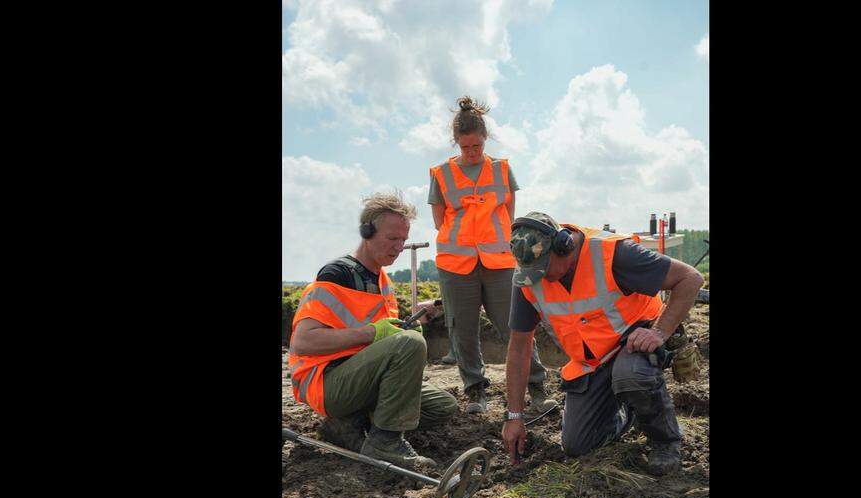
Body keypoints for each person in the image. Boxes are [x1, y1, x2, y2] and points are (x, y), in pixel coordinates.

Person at [500, 212, 705, 476]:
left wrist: (659, 333)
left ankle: (665, 441)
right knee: (578, 445)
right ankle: (629, 412)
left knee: (631, 376)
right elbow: (519, 348)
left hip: (634, 343)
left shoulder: (614, 254)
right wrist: (514, 416)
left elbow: (690, 279)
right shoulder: (529, 277)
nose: (540, 278)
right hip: (592, 362)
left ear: (564, 246)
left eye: (544, 269)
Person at [287, 192, 457, 472]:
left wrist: (407, 326)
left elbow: (382, 338)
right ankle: (386, 442)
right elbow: (303, 342)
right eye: (392, 239)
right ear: (367, 232)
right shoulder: (337, 275)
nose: (400, 247)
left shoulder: (381, 279)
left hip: (360, 380)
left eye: (403, 239)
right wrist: (373, 333)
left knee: (441, 406)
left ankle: (349, 425)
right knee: (410, 344)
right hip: (326, 383)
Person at [429, 96, 556, 415]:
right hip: (456, 265)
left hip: (499, 262)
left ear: (485, 140)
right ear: (456, 142)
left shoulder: (502, 170)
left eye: (476, 146)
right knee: (463, 328)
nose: (471, 152)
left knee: (515, 325)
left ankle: (537, 387)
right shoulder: (441, 174)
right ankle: (475, 391)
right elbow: (438, 219)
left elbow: (509, 216)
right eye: (465, 147)